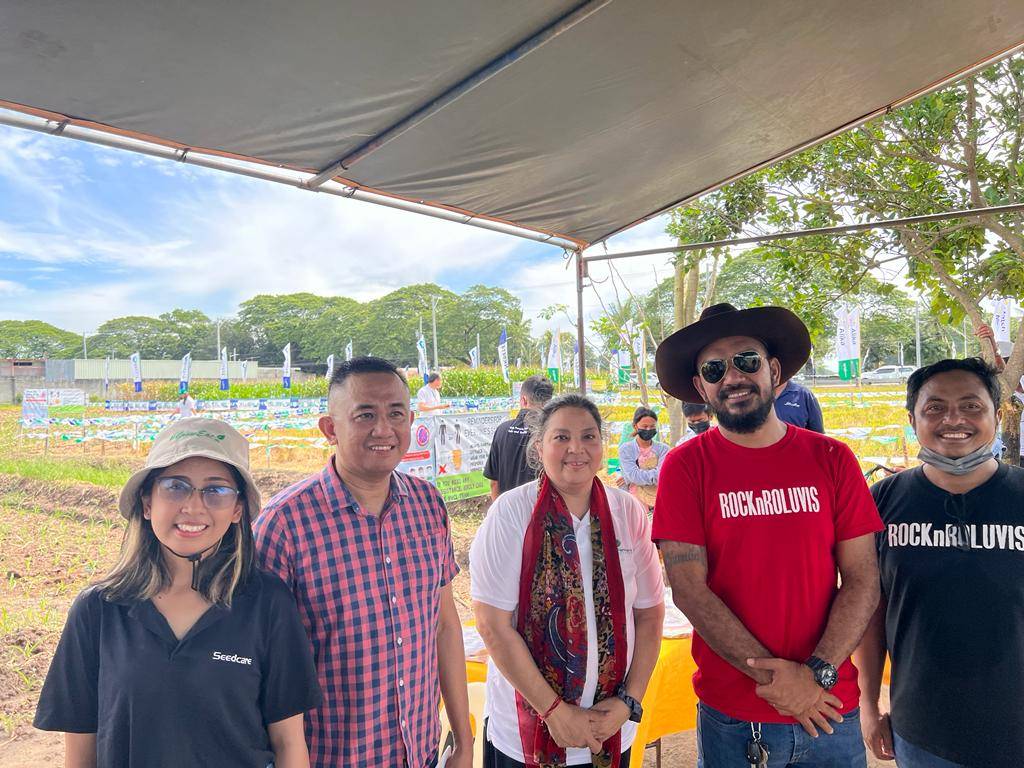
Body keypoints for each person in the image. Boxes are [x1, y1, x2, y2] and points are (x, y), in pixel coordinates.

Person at [652, 302, 884, 767]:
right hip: (736, 719)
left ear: (774, 371)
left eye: (747, 360)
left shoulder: (833, 459)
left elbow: (863, 578)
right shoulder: (684, 467)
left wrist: (814, 676)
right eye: (714, 369)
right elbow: (689, 590)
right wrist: (780, 686)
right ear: (701, 387)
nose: (732, 376)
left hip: (829, 707)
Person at [34, 417, 320, 768]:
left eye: (215, 490)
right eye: (175, 486)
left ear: (237, 510)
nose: (193, 507)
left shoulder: (267, 602)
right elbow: (80, 754)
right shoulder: (98, 610)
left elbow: (289, 743)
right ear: (147, 502)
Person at [253, 356, 472, 768]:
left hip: (420, 754)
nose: (384, 430)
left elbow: (444, 625)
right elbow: (263, 669)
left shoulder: (428, 506)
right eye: (365, 414)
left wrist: (463, 738)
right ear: (330, 429)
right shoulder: (284, 526)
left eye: (396, 414)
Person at [471, 394, 665, 768]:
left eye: (589, 437)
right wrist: (555, 711)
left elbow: (650, 615)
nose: (576, 448)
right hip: (528, 730)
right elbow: (492, 626)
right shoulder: (511, 513)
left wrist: (628, 702)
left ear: (602, 445)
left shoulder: (628, 512)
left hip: (610, 728)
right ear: (539, 446)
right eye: (561, 437)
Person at [855, 358, 1024, 768]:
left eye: (971, 405)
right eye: (935, 407)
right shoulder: (881, 502)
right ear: (912, 418)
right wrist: (868, 704)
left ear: (996, 415)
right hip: (924, 732)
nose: (953, 419)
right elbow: (870, 612)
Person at [484, 374, 555, 500]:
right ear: (549, 401)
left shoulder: (502, 429)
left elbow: (494, 483)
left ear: (523, 400)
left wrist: (499, 512)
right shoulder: (554, 432)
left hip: (509, 512)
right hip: (542, 512)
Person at [616, 406, 671, 511]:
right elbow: (634, 476)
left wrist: (630, 478)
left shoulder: (664, 449)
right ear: (635, 426)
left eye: (652, 426)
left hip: (660, 500)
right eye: (645, 426)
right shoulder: (626, 449)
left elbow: (664, 475)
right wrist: (655, 475)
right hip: (635, 503)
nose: (648, 429)